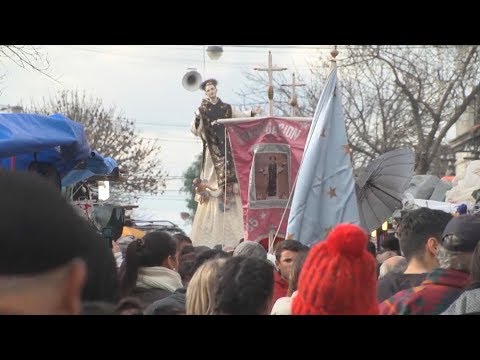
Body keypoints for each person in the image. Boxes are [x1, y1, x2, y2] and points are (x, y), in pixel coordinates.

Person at [190, 78, 261, 248]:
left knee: (232, 183)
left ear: (216, 89)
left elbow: (240, 116)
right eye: (207, 90)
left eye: (212, 89)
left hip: (228, 151)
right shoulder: (201, 109)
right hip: (212, 152)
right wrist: (198, 118)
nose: (211, 92)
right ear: (205, 93)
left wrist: (251, 112)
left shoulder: (226, 108)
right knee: (210, 179)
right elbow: (194, 129)